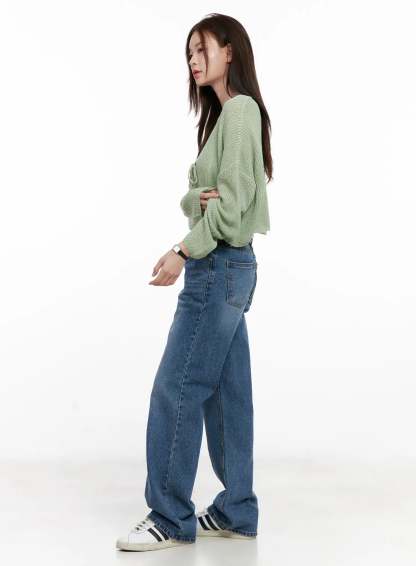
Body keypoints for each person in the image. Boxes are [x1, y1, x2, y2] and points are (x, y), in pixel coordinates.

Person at [116, 12, 272, 552]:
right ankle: (236, 509)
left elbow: (229, 208)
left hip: (217, 266)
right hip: (230, 267)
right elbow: (198, 199)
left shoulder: (240, 112)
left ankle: (169, 516)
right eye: (188, 53)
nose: (193, 60)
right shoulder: (223, 119)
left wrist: (183, 250)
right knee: (228, 396)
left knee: (177, 387)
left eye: (201, 48)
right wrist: (198, 201)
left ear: (230, 50)